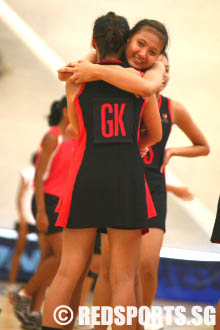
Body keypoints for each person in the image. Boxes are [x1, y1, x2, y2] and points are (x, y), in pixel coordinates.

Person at [42, 12, 162, 330]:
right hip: (127, 180)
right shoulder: (138, 83)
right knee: (123, 278)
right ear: (125, 44)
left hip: (87, 177)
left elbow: (77, 130)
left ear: (94, 43)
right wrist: (136, 142)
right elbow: (155, 135)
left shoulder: (78, 80)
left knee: (68, 271)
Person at [12, 96, 74, 330]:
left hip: (62, 204)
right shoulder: (52, 137)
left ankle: (35, 312)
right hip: (47, 201)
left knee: (49, 258)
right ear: (65, 111)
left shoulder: (76, 138)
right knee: (61, 257)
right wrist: (40, 211)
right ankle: (25, 293)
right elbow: (39, 176)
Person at [8, 152, 38, 299]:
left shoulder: (47, 176)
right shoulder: (28, 173)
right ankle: (12, 284)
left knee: (48, 255)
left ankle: (38, 285)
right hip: (26, 218)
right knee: (18, 250)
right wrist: (22, 216)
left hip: (39, 218)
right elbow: (20, 196)